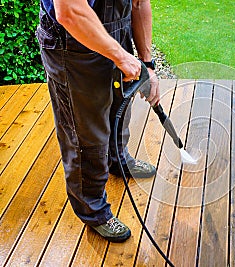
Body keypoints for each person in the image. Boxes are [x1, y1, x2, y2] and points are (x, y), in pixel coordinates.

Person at [36, 0, 160, 242]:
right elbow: (70, 12)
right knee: (85, 132)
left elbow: (139, 2)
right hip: (72, 44)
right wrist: (122, 57)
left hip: (115, 32)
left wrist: (146, 64)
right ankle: (93, 209)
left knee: (118, 106)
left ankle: (118, 160)